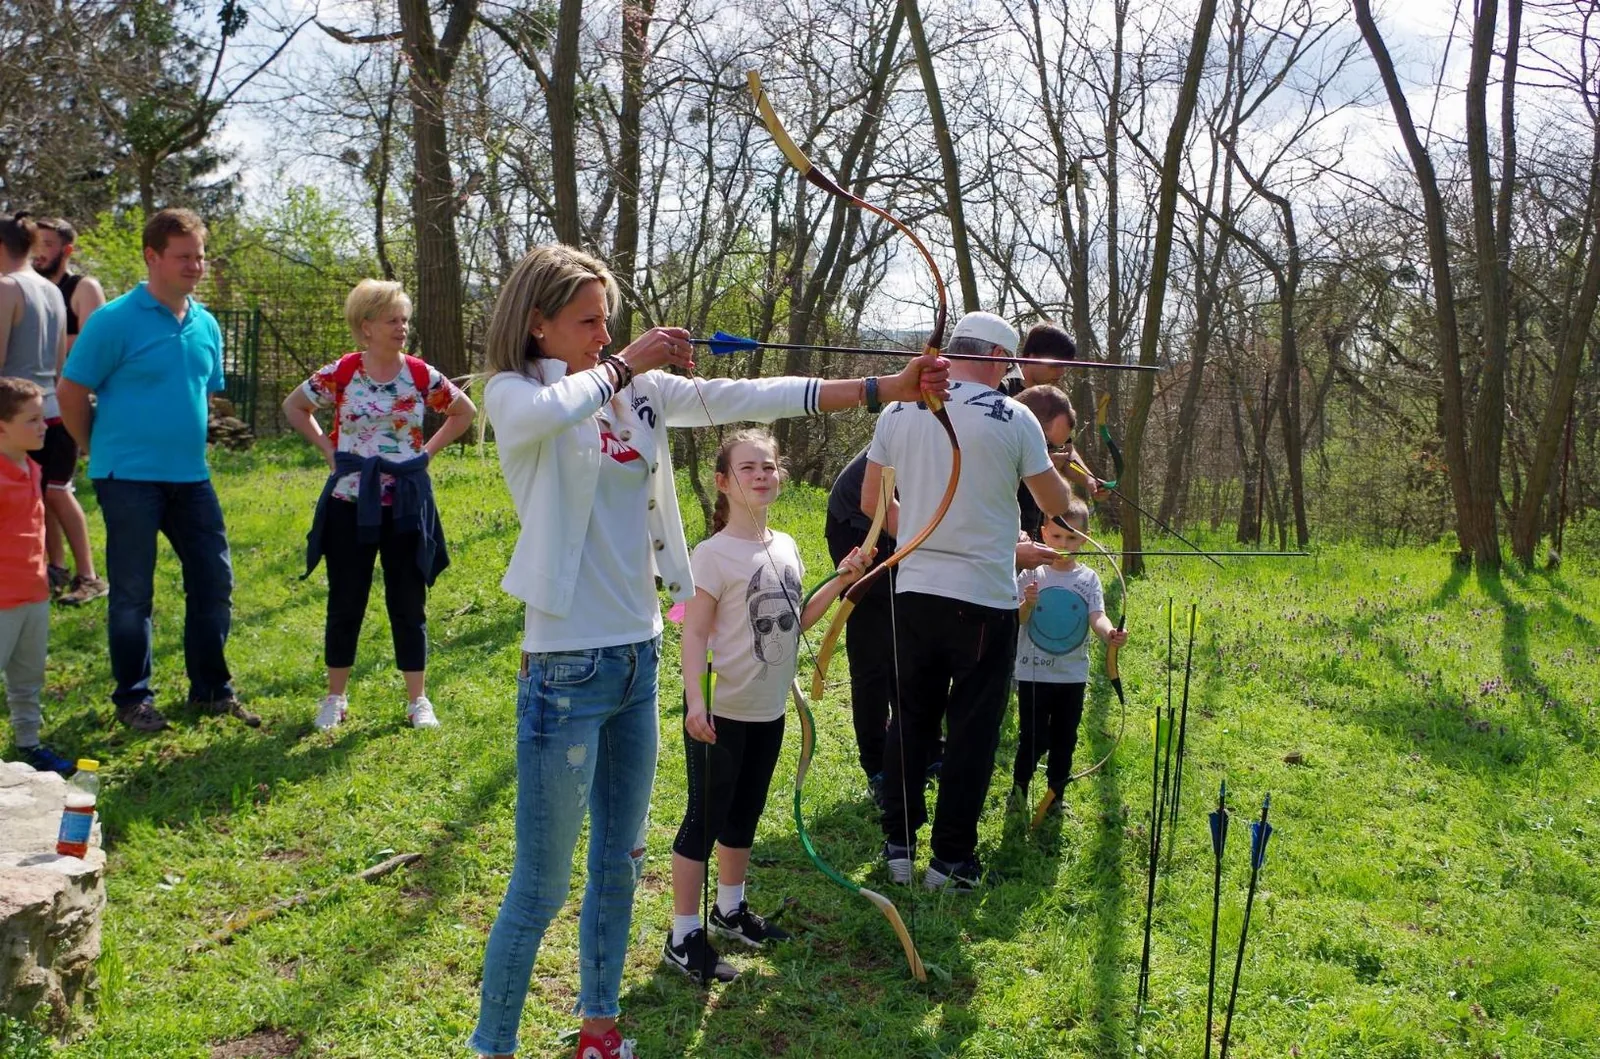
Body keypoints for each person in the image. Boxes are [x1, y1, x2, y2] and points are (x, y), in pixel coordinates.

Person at [471, 243, 946, 1059]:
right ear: (538, 321)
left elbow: (751, 393)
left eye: (608, 321)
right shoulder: (517, 392)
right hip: (565, 667)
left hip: (637, 654)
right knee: (541, 883)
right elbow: (535, 417)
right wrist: (627, 361)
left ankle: (598, 1029)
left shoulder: (636, 393)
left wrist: (881, 388)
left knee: (621, 864)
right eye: (587, 320)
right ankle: (493, 1046)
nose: (601, 332)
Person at [862, 311, 1074, 893]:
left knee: (909, 719)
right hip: (983, 597)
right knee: (973, 729)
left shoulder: (899, 408)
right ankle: (950, 861)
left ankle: (898, 845)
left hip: (915, 591)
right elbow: (1055, 504)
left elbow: (870, 498)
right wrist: (1063, 476)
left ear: (952, 352)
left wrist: (919, 538)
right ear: (1002, 362)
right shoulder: (1015, 415)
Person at [665, 429, 872, 984]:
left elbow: (797, 621)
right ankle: (683, 935)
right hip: (721, 711)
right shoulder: (710, 555)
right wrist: (694, 704)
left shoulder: (787, 545)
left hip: (768, 709)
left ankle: (729, 909)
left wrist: (843, 580)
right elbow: (693, 635)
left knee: (745, 814)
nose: (761, 475)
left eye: (769, 467)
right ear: (723, 482)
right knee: (702, 821)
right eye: (747, 468)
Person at [57, 207, 258, 733]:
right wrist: (92, 446)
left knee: (214, 582)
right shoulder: (114, 321)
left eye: (200, 255)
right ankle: (133, 700)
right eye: (184, 256)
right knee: (131, 594)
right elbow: (71, 391)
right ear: (153, 257)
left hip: (192, 477)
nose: (196, 265)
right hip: (127, 477)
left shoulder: (206, 323)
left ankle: (212, 691)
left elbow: (203, 393)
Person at [284, 280, 476, 730]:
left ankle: (418, 701)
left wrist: (425, 454)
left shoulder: (420, 374)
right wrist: (329, 452)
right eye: (393, 320)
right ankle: (335, 697)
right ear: (366, 326)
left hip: (406, 505)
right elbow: (295, 407)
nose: (402, 328)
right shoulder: (342, 373)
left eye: (405, 319)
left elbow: (463, 411)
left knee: (408, 602)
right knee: (346, 600)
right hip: (349, 503)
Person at [1010, 500, 1128, 815]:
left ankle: (1055, 797)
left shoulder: (1088, 579)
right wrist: (1027, 604)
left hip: (1071, 675)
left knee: (1066, 738)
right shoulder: (1031, 573)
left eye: (1072, 538)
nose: (1064, 544)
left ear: (1085, 539)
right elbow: (1017, 620)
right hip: (1033, 673)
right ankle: (1018, 790)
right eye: (1058, 537)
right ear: (1044, 534)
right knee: (1032, 738)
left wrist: (1110, 635)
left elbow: (1097, 617)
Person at [31, 217, 108, 605]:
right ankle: (55, 568)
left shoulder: (82, 287)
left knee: (59, 489)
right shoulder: (33, 288)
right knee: (39, 490)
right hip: (33, 405)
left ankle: (89, 575)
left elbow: (95, 345)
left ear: (67, 249)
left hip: (70, 403)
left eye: (47, 243)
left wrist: (53, 343)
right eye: (35, 243)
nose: (39, 250)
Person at [0, 378, 75, 775]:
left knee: (28, 679)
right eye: (32, 420)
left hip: (33, 594)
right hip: (1, 602)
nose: (43, 425)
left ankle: (28, 744)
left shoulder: (32, 466)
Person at [823, 447, 898, 802]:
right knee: (873, 652)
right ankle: (878, 767)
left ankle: (920, 750)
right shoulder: (916, 417)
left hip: (899, 530)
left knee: (909, 645)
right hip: (859, 530)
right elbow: (875, 502)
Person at [997, 320, 1074, 397]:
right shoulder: (1002, 389)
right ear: (1032, 357)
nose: (1061, 372)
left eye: (1065, 365)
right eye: (1055, 365)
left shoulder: (1053, 399)